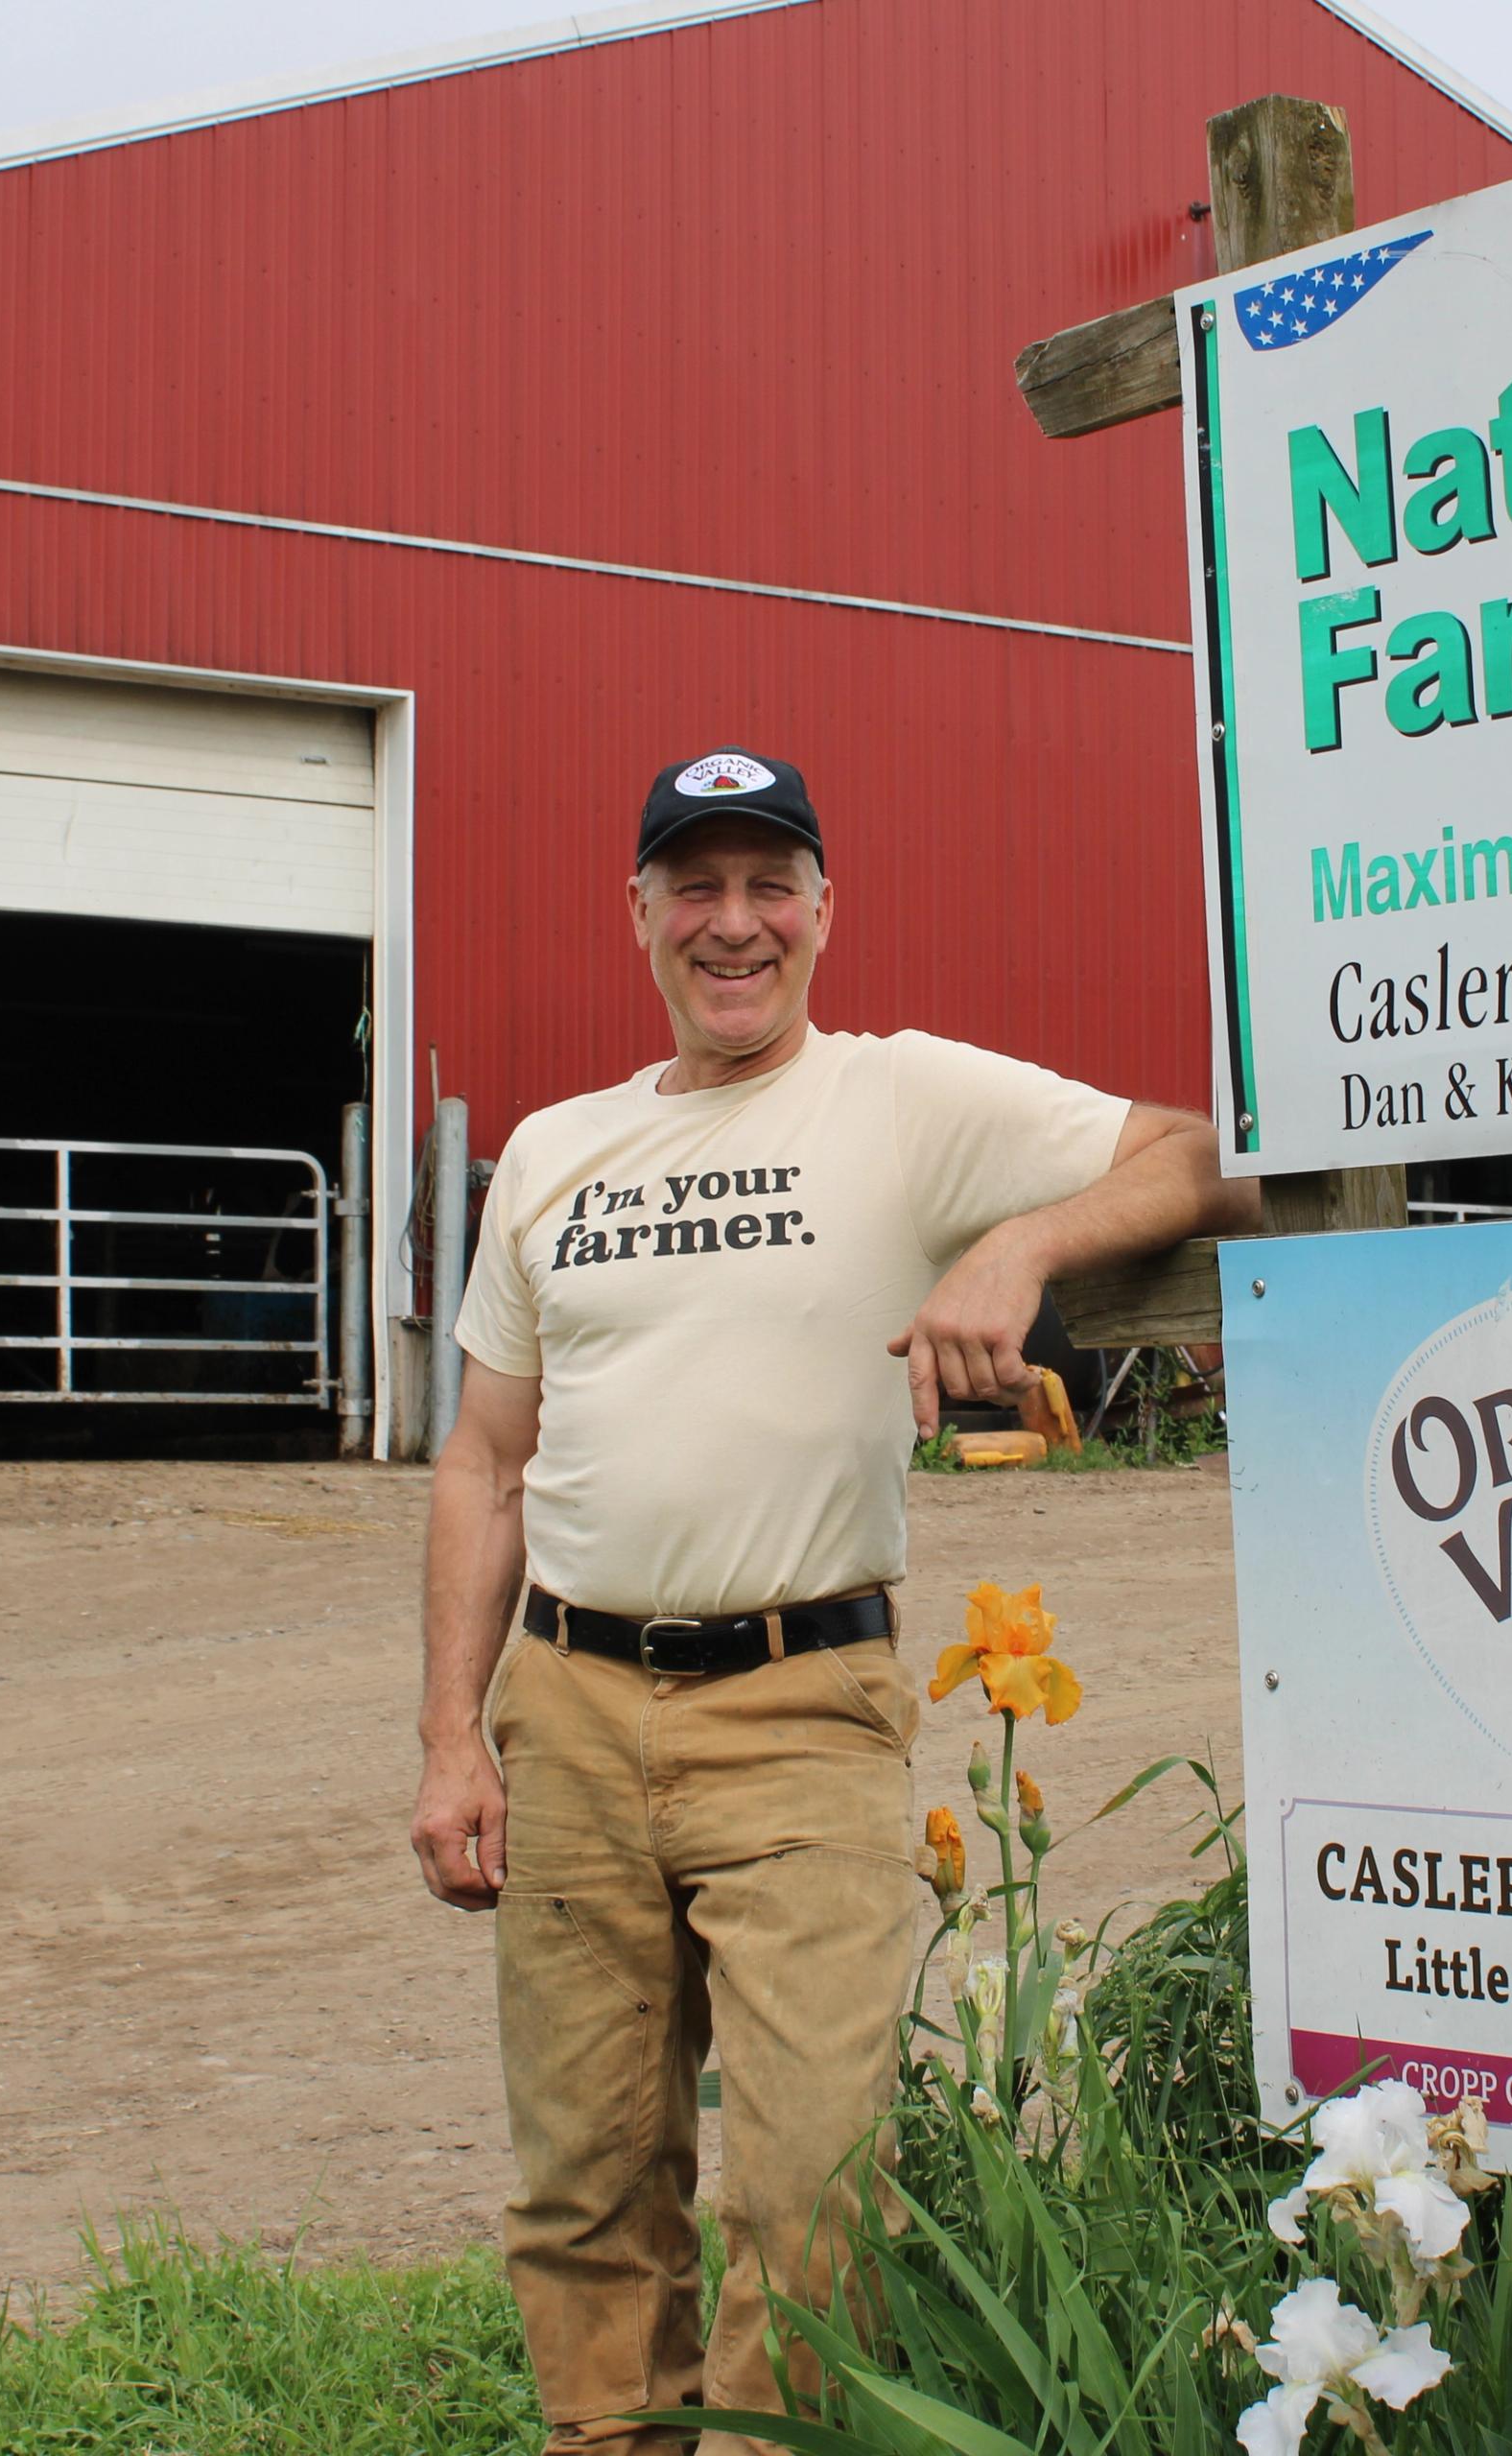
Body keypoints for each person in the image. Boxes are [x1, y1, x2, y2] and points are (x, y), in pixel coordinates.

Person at [409, 746, 1253, 2456]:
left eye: (769, 884)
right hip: (567, 1704)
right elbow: (483, 1465)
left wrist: (1016, 1251)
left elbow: (1206, 1152)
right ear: (640, 912)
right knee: (583, 2185)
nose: (736, 924)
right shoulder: (557, 1154)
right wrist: (450, 1741)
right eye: (696, 887)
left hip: (805, 1705)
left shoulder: (900, 1098)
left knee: (810, 2195)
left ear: (823, 910)